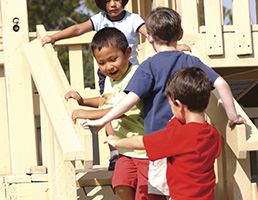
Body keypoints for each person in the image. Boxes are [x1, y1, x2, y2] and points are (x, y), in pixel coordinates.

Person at [82, 7, 245, 198]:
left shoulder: (149, 66)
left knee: (158, 193)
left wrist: (103, 121)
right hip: (189, 144)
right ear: (180, 34)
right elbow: (221, 83)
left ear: (149, 37)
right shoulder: (190, 61)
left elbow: (130, 100)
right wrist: (232, 115)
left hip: (160, 141)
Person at [65, 27, 164, 200]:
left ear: (127, 52)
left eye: (113, 59)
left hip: (144, 151)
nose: (108, 67)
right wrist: (83, 101)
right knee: (121, 184)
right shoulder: (112, 79)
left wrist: (87, 114)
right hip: (125, 149)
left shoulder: (137, 76)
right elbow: (106, 100)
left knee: (147, 193)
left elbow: (119, 109)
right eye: (102, 63)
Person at [105, 67, 222, 200]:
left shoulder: (179, 136)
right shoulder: (213, 134)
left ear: (178, 104)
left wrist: (117, 142)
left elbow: (141, 142)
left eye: (171, 106)